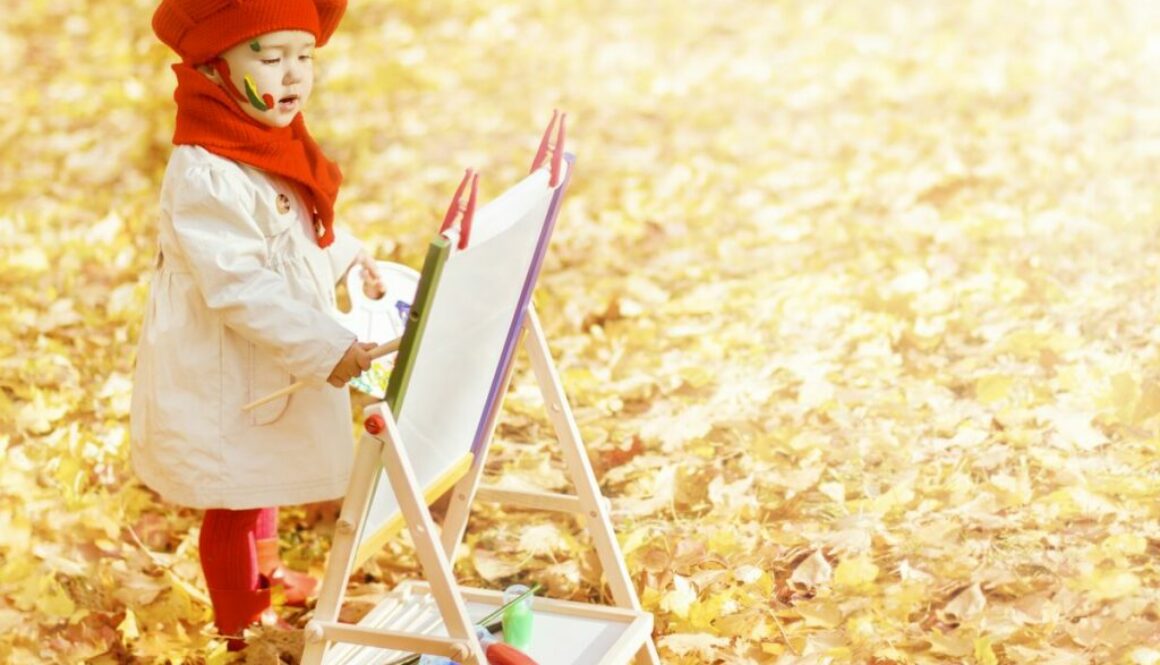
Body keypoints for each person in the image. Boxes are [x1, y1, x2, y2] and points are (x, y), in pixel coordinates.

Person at [131, 0, 386, 650]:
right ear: (214, 66)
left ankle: (266, 573)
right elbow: (239, 284)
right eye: (269, 57)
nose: (292, 74)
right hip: (224, 361)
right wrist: (328, 344)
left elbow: (292, 239)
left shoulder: (263, 140)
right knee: (234, 488)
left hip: (265, 354)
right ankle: (240, 624)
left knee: (263, 468)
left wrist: (348, 253)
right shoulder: (207, 170)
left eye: (304, 56)